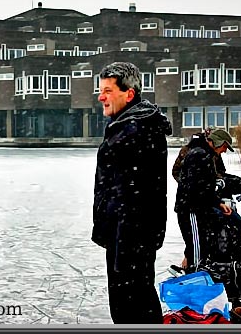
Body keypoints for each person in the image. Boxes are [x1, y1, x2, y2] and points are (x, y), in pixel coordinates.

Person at [91, 61, 172, 324]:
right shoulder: (126, 125)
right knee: (131, 300)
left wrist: (124, 240)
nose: (101, 97)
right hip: (125, 233)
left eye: (107, 90)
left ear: (129, 93)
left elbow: (137, 194)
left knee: (133, 302)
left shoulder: (136, 129)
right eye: (100, 90)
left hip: (131, 236)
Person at [175, 129, 241, 270]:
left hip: (196, 207)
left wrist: (217, 203)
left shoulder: (204, 154)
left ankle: (196, 274)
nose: (224, 151)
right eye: (225, 147)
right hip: (191, 209)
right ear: (218, 142)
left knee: (198, 246)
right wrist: (213, 202)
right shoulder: (200, 155)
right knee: (196, 248)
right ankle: (195, 279)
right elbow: (197, 187)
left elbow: (205, 187)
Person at [172, 127, 241, 221]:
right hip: (193, 208)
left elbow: (218, 173)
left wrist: (218, 189)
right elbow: (194, 183)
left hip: (202, 204)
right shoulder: (198, 154)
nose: (224, 151)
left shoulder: (210, 153)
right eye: (224, 147)